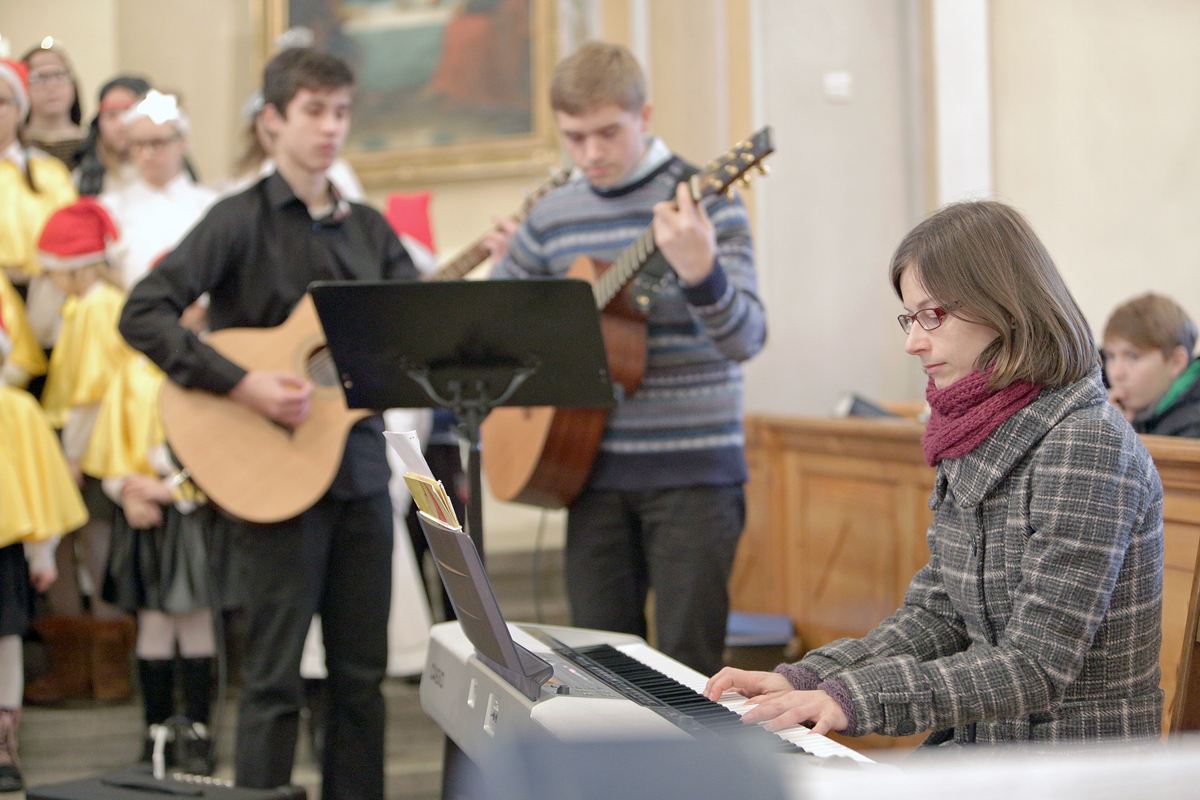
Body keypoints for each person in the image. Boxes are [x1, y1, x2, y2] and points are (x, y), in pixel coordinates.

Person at [706, 200, 1164, 747]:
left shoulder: (1087, 441)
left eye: (934, 315)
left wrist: (853, 698)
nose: (913, 341)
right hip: (991, 743)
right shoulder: (975, 427)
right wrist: (807, 678)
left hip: (1072, 759)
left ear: (1004, 306)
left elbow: (1035, 666)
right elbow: (939, 613)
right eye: (911, 317)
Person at [119, 47, 418, 798]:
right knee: (272, 680)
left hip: (358, 475)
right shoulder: (235, 222)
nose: (331, 128)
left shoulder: (370, 230)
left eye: (341, 112)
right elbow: (143, 312)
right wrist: (243, 383)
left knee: (360, 679)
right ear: (273, 122)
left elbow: (415, 335)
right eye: (314, 111)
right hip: (269, 480)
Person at [490, 41, 767, 676]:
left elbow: (746, 338)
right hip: (584, 469)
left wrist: (702, 275)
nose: (591, 153)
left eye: (608, 133)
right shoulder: (552, 216)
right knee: (600, 672)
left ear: (645, 116)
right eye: (574, 137)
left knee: (692, 672)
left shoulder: (708, 203)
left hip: (694, 474)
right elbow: (500, 328)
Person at [26, 198, 137, 706]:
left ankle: (103, 672)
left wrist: (70, 455)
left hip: (90, 448)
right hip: (84, 443)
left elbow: (89, 393)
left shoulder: (96, 307)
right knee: (79, 550)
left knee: (93, 548)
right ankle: (86, 671)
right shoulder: (88, 304)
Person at [0, 297, 88, 791]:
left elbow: (39, 483)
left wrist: (41, 552)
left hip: (6, 541)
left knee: (5, 639)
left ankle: (2, 740)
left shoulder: (16, 409)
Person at [0, 57, 76, 390]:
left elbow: (70, 240)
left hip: (43, 296)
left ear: (20, 109)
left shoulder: (50, 173)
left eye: (2, 102)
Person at [100, 90, 216, 290]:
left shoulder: (209, 205)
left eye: (158, 143)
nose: (147, 154)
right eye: (138, 144)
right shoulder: (112, 207)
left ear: (183, 141)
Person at [1102, 292, 1200, 437]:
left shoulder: (1193, 428)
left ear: (1176, 361)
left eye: (1133, 357)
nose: (1117, 373)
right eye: (1111, 356)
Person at [75, 76, 150, 197]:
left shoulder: (173, 173)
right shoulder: (79, 180)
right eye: (111, 115)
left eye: (129, 113)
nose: (121, 124)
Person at [20, 41, 87, 170]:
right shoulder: (12, 146)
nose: (51, 85)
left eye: (59, 75)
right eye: (40, 77)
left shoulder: (95, 145)